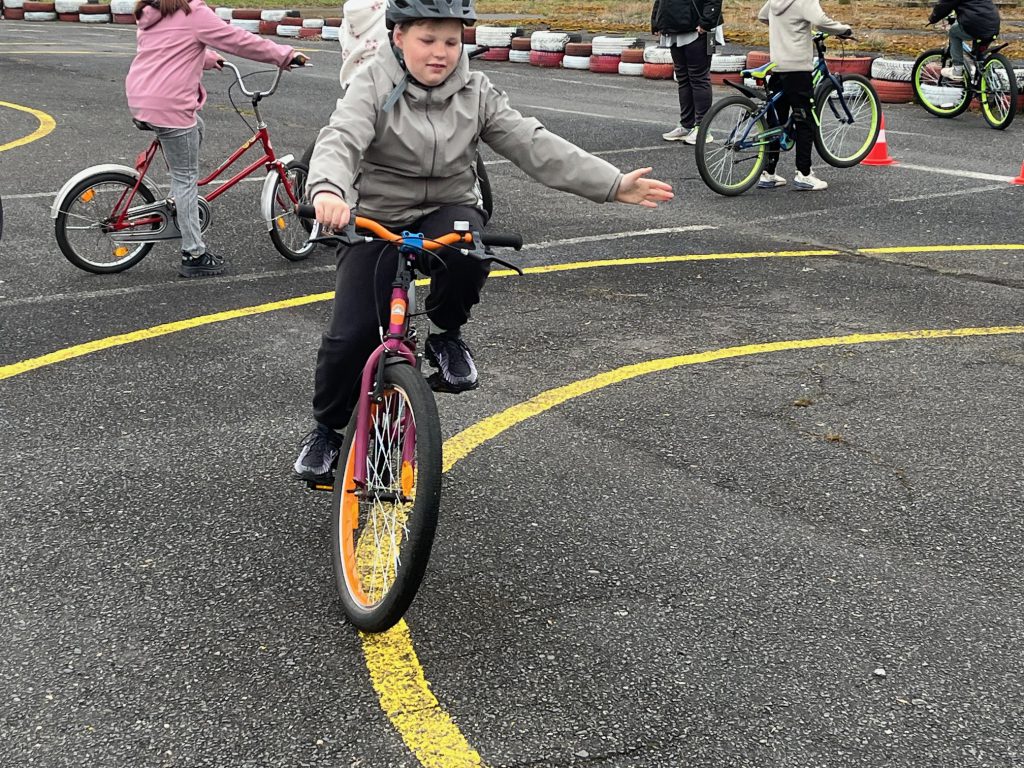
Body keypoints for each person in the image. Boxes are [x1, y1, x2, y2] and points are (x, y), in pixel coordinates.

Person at [293, 0, 674, 483]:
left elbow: (533, 143)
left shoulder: (476, 92)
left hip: (446, 206)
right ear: (398, 38)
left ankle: (445, 334)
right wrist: (328, 190)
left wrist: (613, 183)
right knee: (350, 335)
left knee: (468, 249)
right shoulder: (372, 83)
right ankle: (327, 429)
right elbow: (341, 138)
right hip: (375, 214)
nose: (440, 53)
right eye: (427, 40)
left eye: (451, 41)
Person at [125, 0, 307, 278]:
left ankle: (177, 201)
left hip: (142, 98)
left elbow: (170, 45)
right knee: (186, 178)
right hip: (169, 107)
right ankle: (194, 254)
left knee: (196, 128)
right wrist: (285, 55)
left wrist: (207, 58)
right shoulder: (192, 12)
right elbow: (239, 40)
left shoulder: (153, 10)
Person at [756, 0, 851, 191]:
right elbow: (821, 21)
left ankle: (768, 173)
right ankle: (804, 174)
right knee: (805, 120)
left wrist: (787, 28)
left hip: (777, 66)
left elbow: (763, 16)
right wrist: (844, 29)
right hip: (798, 68)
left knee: (777, 121)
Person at [652, 0, 724, 145]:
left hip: (699, 29)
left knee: (699, 78)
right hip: (673, 25)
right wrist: (656, 20)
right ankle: (687, 125)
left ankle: (703, 129)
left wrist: (706, 22)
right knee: (683, 78)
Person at [927, 0, 1000, 82]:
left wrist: (932, 19)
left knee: (953, 32)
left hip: (976, 24)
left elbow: (944, 5)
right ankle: (987, 76)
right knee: (979, 54)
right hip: (993, 24)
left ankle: (957, 70)